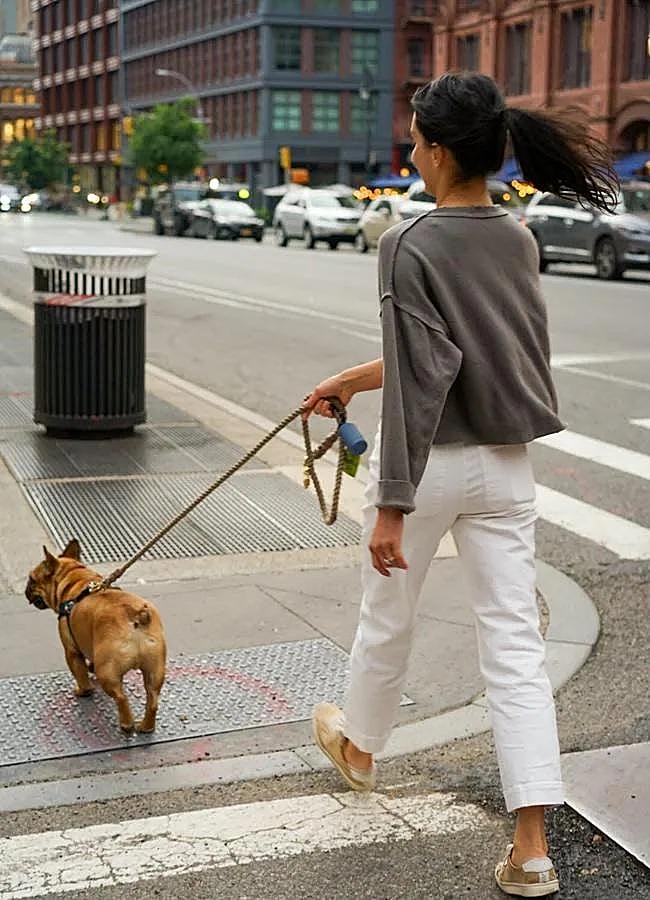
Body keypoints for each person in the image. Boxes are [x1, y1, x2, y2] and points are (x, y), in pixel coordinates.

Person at [303, 72, 617, 898]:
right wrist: (351, 378)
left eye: (415, 139)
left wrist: (393, 504)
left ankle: (362, 750)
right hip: (507, 468)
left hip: (430, 465)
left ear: (440, 153)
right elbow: (455, 359)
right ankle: (532, 849)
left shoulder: (406, 244)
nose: (410, 151)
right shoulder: (518, 238)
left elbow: (421, 379)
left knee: (387, 617)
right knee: (515, 649)